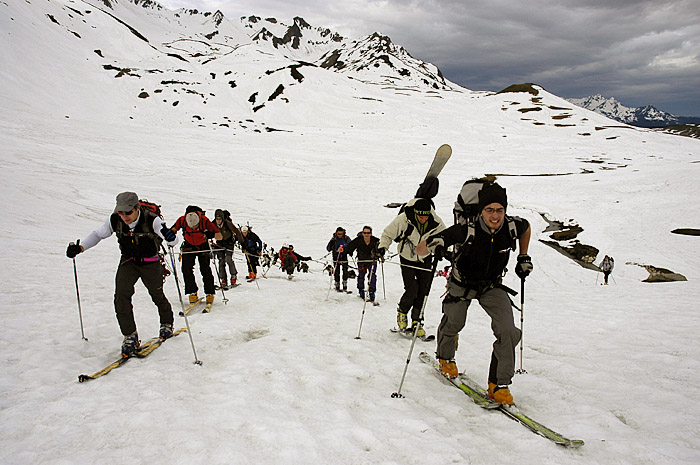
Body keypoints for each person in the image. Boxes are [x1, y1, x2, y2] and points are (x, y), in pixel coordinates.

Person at [419, 183, 532, 405]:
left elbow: (526, 228)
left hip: (491, 286)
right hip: (462, 284)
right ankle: (445, 356)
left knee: (508, 330)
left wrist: (523, 256)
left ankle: (499, 384)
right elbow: (422, 248)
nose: (495, 216)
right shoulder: (466, 230)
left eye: (500, 210)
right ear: (481, 210)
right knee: (454, 321)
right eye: (489, 210)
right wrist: (436, 245)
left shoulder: (511, 226)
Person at [65, 192, 179, 357]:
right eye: (121, 212)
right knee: (121, 296)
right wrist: (81, 248)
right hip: (129, 261)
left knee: (156, 294)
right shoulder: (114, 220)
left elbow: (173, 241)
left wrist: (170, 237)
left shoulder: (152, 219)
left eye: (128, 212)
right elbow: (98, 234)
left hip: (150, 262)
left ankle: (167, 323)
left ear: (137, 208)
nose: (124, 216)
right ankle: (130, 336)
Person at [379, 198, 446, 336]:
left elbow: (446, 237)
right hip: (406, 256)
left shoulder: (436, 222)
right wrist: (382, 247)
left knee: (423, 289)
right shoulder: (404, 219)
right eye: (420, 216)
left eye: (425, 216)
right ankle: (402, 312)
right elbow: (388, 233)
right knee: (412, 289)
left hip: (426, 257)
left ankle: (417, 320)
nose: (423, 219)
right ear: (415, 213)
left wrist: (445, 250)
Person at [170, 206, 222, 306]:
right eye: (191, 226)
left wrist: (211, 234)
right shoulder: (182, 220)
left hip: (202, 245)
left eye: (195, 226)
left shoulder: (204, 220)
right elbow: (173, 229)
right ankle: (192, 292)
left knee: (205, 269)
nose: (193, 227)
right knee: (186, 269)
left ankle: (209, 292)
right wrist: (169, 235)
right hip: (189, 245)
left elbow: (219, 235)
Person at [345, 226, 381, 302]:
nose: (366, 235)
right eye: (365, 233)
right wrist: (343, 250)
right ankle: (361, 289)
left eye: (368, 233)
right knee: (361, 276)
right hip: (361, 261)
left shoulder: (376, 241)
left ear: (371, 233)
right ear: (362, 233)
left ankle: (371, 292)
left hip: (372, 261)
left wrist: (380, 254)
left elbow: (381, 249)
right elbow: (350, 247)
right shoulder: (358, 240)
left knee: (372, 275)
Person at [214, 209, 243, 289]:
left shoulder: (227, 223)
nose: (218, 221)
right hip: (219, 244)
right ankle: (223, 279)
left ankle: (233, 276)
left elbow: (237, 231)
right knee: (221, 261)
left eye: (219, 219)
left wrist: (242, 242)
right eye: (217, 219)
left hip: (229, 243)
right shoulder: (213, 224)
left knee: (228, 259)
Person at [326, 227, 351, 292]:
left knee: (345, 271)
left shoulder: (346, 238)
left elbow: (351, 247)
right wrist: (334, 248)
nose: (339, 235)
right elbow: (328, 249)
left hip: (344, 256)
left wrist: (346, 250)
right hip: (336, 256)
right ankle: (337, 284)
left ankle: (345, 284)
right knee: (337, 271)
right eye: (338, 234)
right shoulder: (334, 239)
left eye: (341, 234)